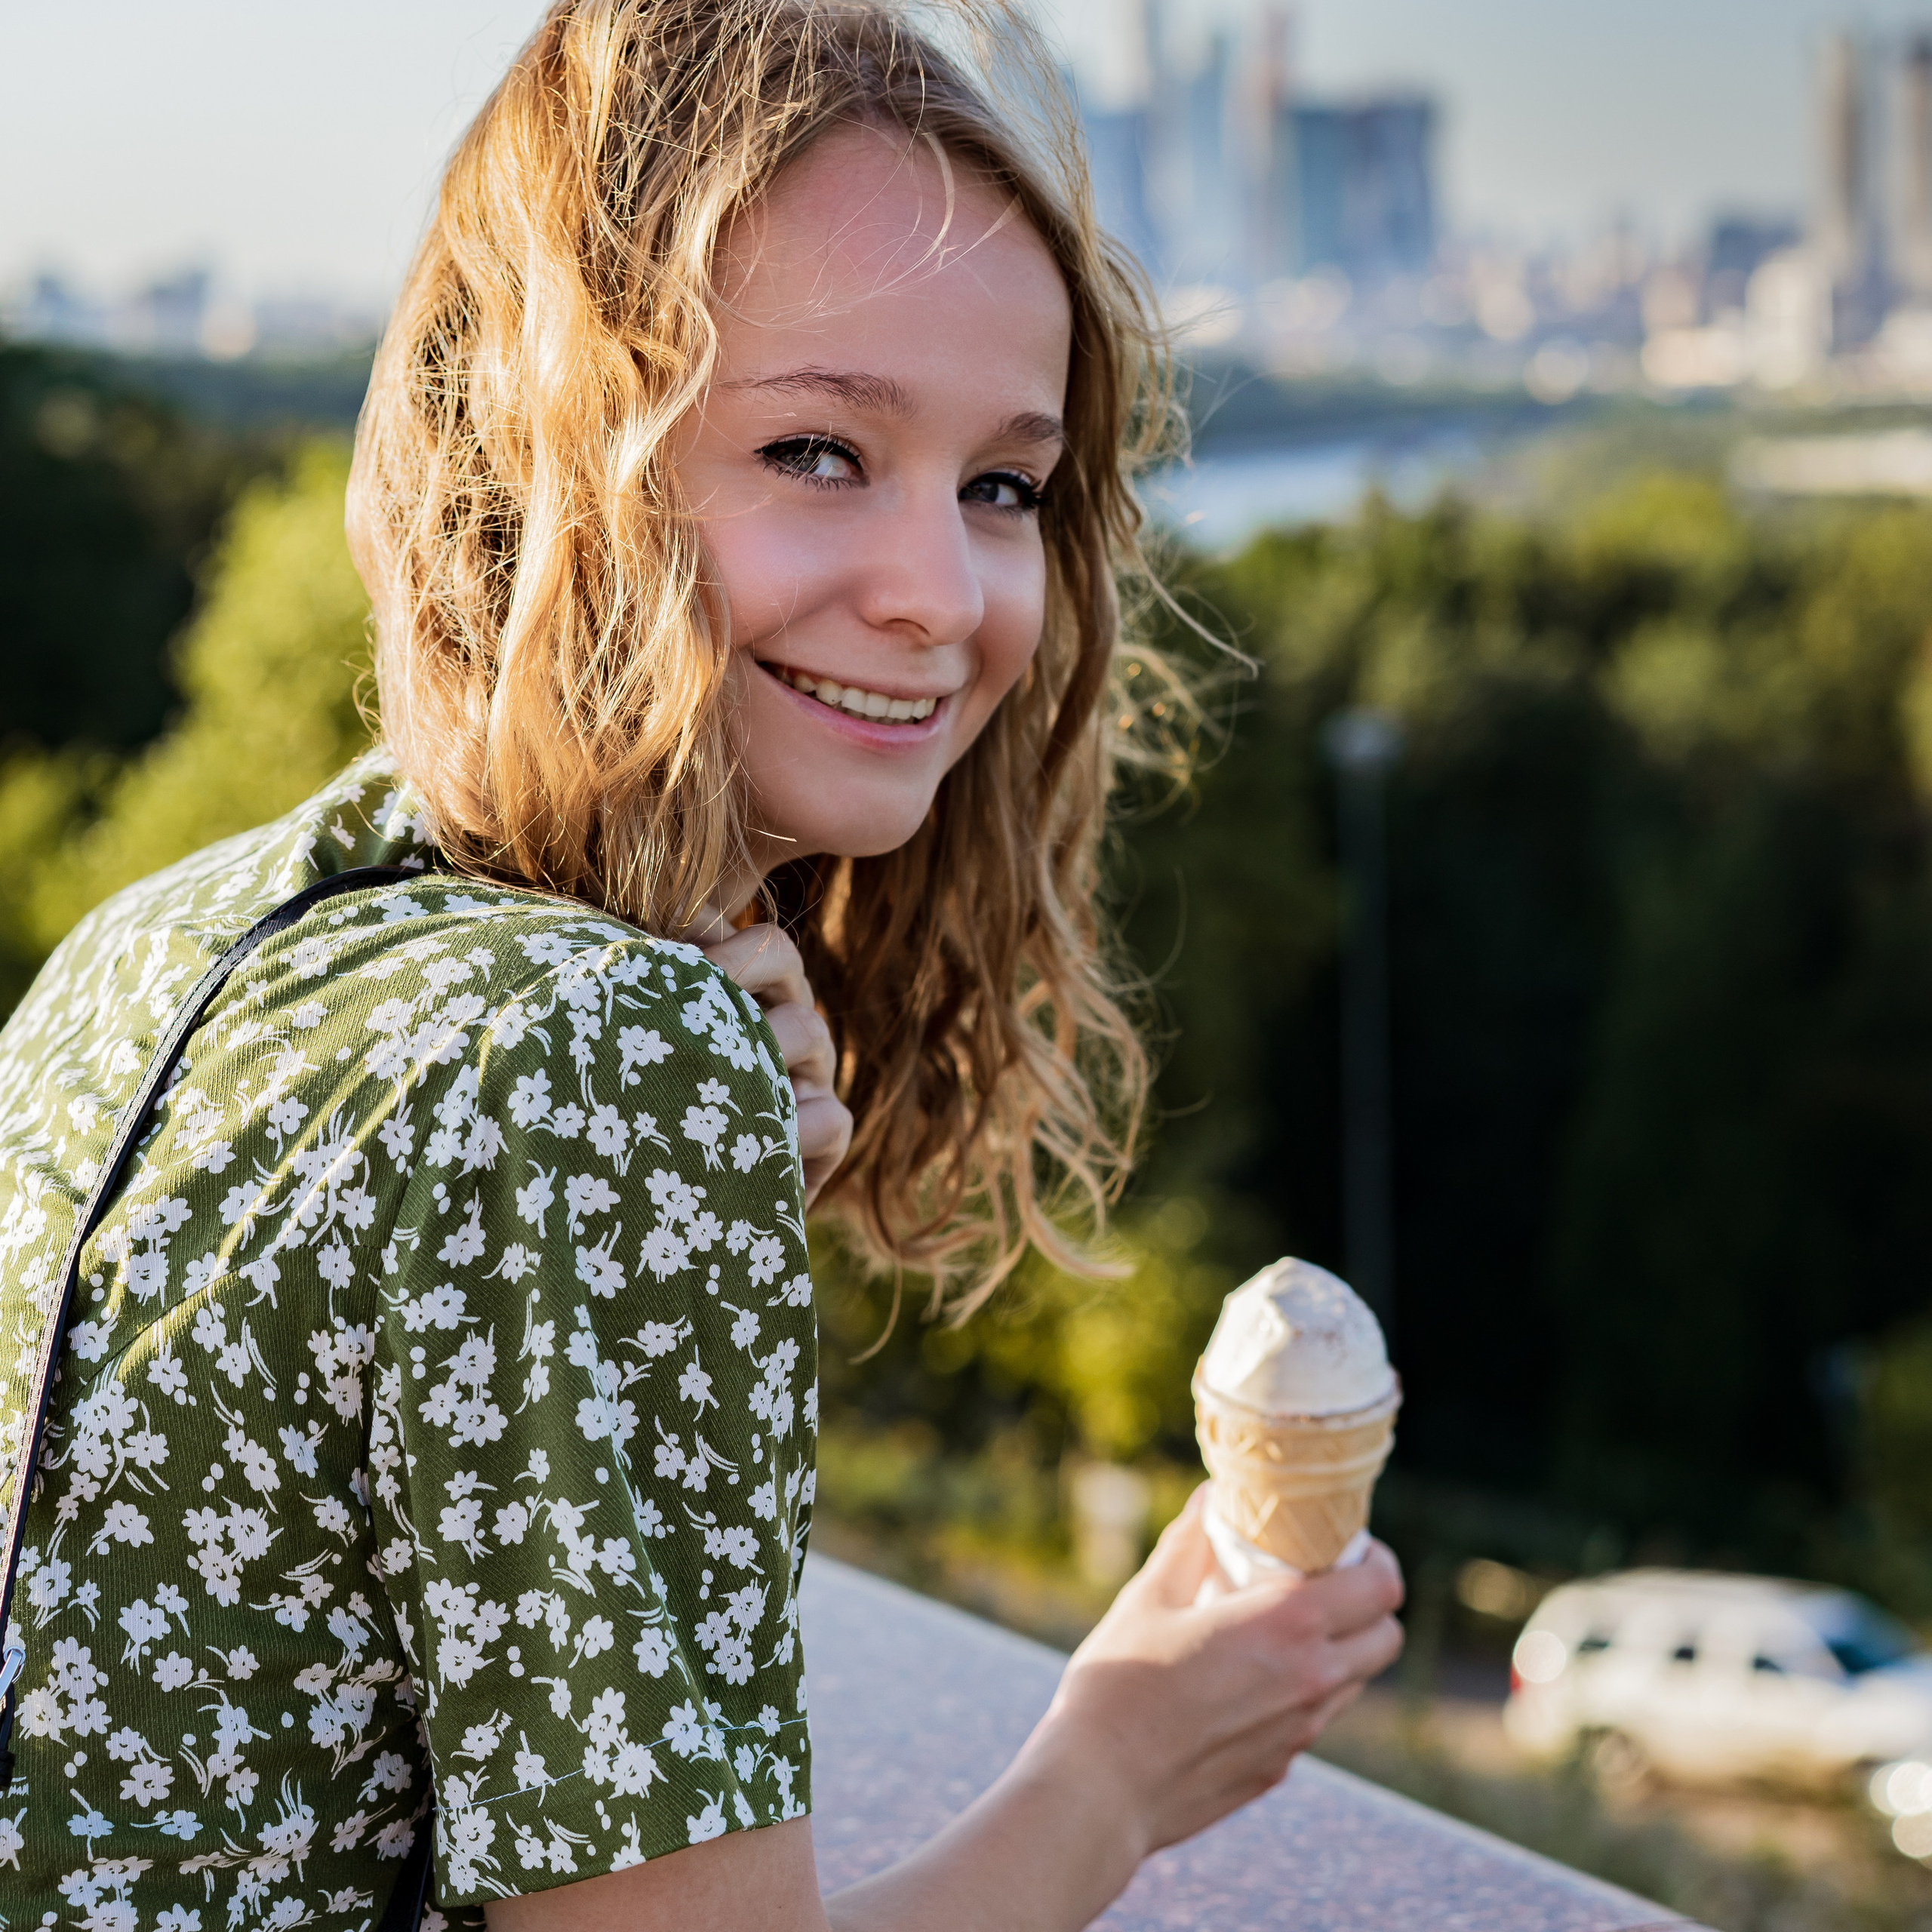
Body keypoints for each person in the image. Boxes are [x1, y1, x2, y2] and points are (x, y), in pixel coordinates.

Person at [0, 3, 1404, 1927]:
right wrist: (1113, 1773)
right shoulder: (597, 1060)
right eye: (817, 451)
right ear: (539, 457)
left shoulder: (171, 935)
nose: (940, 593)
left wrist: (700, 1196)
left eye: (1002, 485)